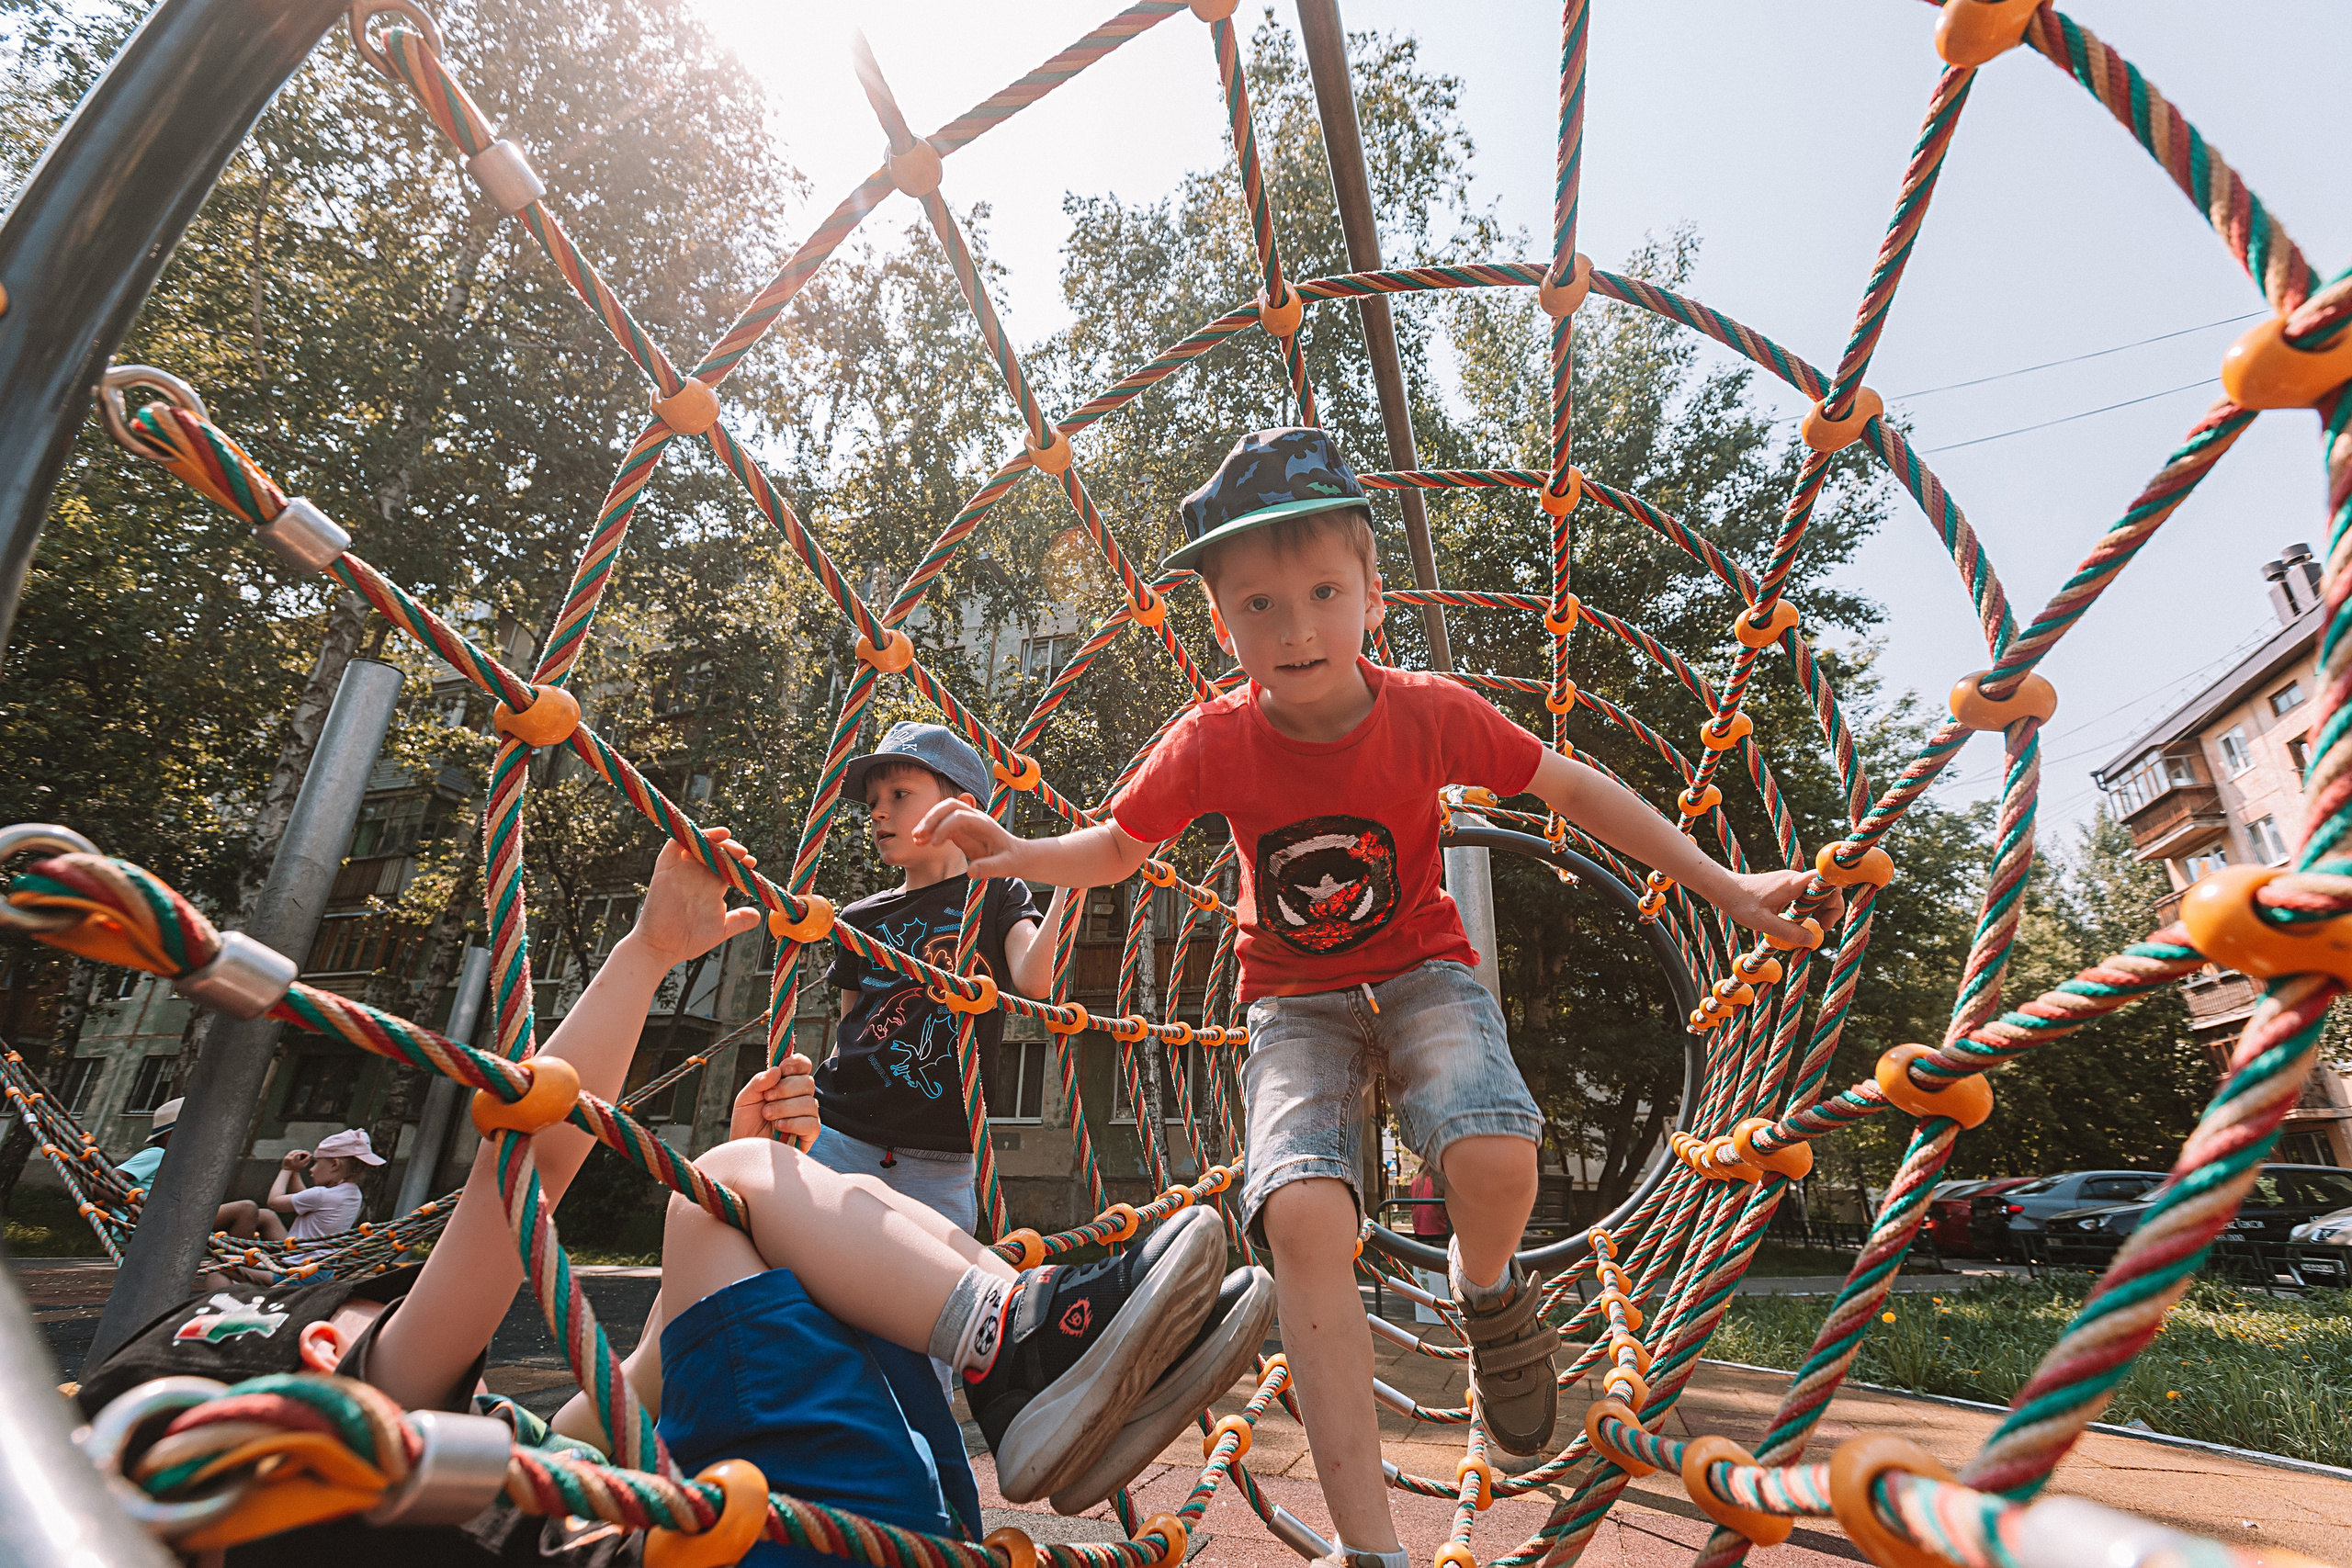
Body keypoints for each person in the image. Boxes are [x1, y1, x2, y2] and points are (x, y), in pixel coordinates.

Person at [909, 426, 1836, 1568]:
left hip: (1419, 969)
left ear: (1371, 596)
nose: (1294, 627)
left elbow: (1575, 787)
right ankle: (1369, 1550)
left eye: (1321, 592)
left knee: (1496, 1159)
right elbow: (1111, 849)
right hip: (1292, 1003)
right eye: (1257, 605)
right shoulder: (1210, 739)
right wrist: (1008, 852)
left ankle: (1487, 1289)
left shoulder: (1427, 714)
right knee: (1299, 1217)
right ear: (1220, 622)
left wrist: (1727, 884)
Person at [74, 828, 1250, 1562]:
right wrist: (641, 956)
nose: (362, 1325)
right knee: (735, 1183)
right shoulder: (358, 1439)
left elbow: (630, 1394)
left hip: (839, 1518)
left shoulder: (481, 1483)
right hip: (806, 1520)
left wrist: (735, 1222)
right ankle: (1019, 1347)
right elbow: (515, 1187)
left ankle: (1041, 1353)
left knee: (725, 1193)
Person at [799, 721, 1073, 1236]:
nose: (878, 812)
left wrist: (1067, 886)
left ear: (961, 811)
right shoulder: (859, 918)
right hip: (841, 1129)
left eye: (899, 794)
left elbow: (1036, 982)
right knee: (820, 1266)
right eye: (873, 801)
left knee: (927, 1292)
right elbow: (848, 1032)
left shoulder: (994, 893)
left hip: (944, 1145)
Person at [214, 1127, 381, 1242]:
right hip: (304, 1256)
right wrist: (295, 1172)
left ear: (334, 1165)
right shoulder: (351, 1193)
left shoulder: (321, 1195)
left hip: (296, 1262)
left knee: (248, 1208)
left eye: (316, 1163)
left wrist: (286, 1169)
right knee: (266, 1216)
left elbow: (274, 1202)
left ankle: (237, 1265)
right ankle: (244, 1259)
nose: (311, 1169)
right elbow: (304, 1201)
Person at [118, 1094, 177, 1190]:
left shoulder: (175, 1161)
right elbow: (107, 1182)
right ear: (169, 1135)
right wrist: (130, 1201)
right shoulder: (158, 1154)